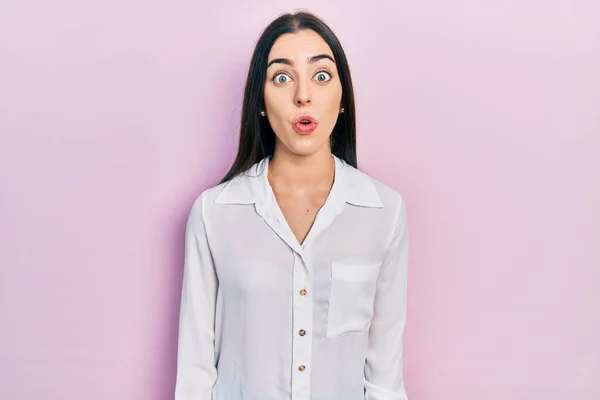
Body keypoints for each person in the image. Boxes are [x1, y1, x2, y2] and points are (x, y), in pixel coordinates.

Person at [174, 10, 409, 400]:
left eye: (321, 76)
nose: (303, 95)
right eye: (282, 78)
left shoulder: (384, 212)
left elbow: (384, 377)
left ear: (342, 98)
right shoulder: (215, 213)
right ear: (261, 102)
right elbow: (195, 378)